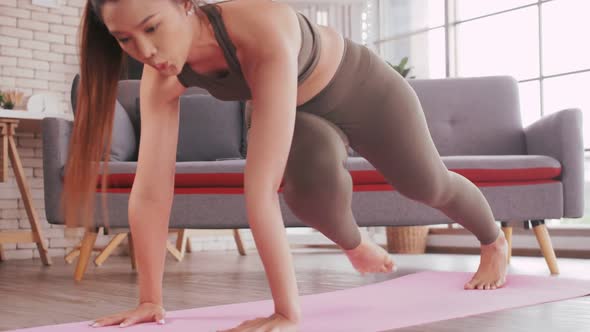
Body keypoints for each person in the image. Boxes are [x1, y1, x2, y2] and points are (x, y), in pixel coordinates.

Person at [64, 0, 509, 331]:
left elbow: (258, 189)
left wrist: (285, 313)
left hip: (364, 92)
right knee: (306, 194)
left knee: (427, 186)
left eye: (152, 28)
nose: (145, 50)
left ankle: (493, 242)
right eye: (125, 39)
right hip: (303, 112)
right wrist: (149, 300)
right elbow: (152, 189)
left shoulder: (257, 26)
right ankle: (355, 245)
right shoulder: (160, 77)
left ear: (184, 4)